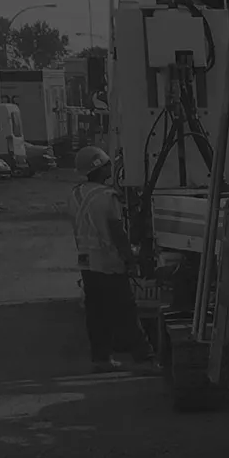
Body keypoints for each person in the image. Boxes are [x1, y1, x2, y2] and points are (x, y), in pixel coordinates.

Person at [69, 147, 154, 374]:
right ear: (100, 167)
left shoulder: (76, 194)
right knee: (125, 310)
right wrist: (130, 259)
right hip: (108, 262)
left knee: (96, 313)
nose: (110, 167)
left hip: (87, 263)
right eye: (107, 164)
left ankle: (101, 359)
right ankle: (143, 356)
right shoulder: (107, 196)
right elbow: (117, 232)